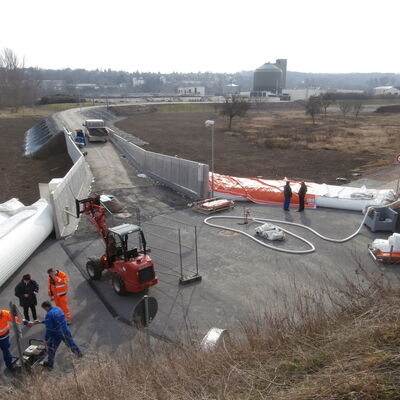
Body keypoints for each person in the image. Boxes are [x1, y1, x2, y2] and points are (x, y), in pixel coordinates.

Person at [31, 301, 82, 369]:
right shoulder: (58, 309)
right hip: (65, 330)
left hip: (56, 334)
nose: (45, 310)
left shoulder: (49, 314)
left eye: (44, 309)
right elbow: (53, 320)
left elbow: (49, 328)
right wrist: (41, 322)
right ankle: (79, 354)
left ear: (46, 307)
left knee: (51, 348)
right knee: (71, 343)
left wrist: (46, 340)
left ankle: (50, 364)